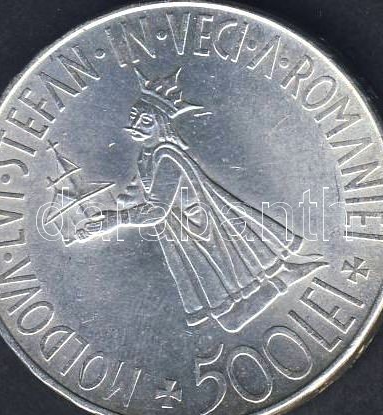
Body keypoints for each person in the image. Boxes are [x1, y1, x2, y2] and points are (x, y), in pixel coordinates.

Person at [77, 67, 326, 333]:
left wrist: (113, 221)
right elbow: (142, 195)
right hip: (185, 235)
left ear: (161, 123)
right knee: (230, 319)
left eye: (145, 120)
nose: (135, 127)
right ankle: (285, 275)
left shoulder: (166, 156)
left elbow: (157, 211)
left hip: (204, 230)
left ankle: (286, 276)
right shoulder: (146, 157)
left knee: (232, 313)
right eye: (134, 118)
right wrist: (111, 211)